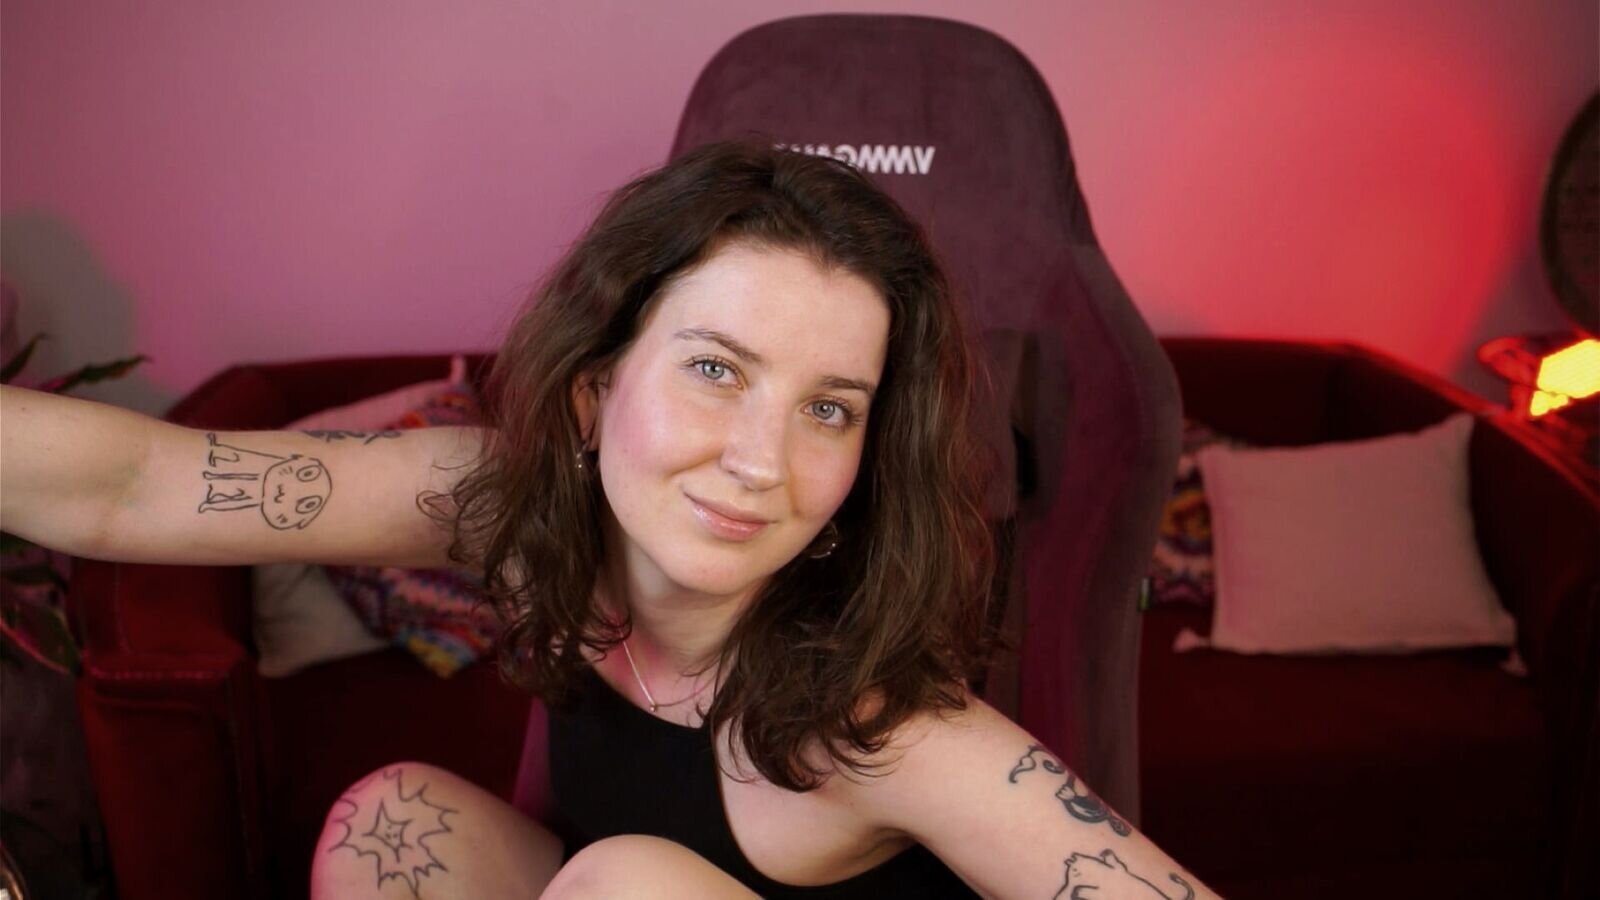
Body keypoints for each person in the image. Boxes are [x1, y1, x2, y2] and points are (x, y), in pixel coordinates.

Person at [0, 140, 1219, 899]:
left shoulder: (887, 728)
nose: (761, 462)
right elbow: (134, 485)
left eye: (829, 410)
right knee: (394, 825)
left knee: (628, 888)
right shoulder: (515, 508)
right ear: (594, 393)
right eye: (717, 370)